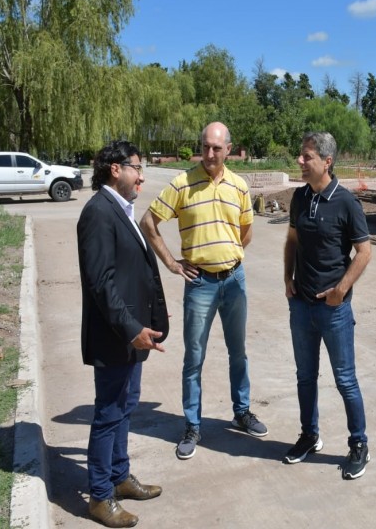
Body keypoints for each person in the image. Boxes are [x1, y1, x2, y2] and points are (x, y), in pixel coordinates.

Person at [139, 121, 267, 461]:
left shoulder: (239, 187)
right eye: (205, 147)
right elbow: (148, 223)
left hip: (234, 281)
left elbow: (246, 232)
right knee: (194, 358)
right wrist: (171, 262)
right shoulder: (182, 184)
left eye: (216, 148)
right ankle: (193, 425)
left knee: (238, 351)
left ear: (228, 149)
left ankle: (242, 413)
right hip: (199, 285)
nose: (210, 154)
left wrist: (228, 255)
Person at [78, 140, 169, 528]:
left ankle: (119, 477)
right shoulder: (98, 212)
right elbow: (100, 283)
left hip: (132, 336)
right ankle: (99, 497)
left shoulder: (120, 208)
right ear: (116, 169)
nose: (142, 176)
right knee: (109, 413)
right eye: (137, 168)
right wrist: (132, 330)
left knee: (125, 407)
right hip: (117, 336)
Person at [282, 131, 373, 480]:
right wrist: (287, 278)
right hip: (301, 308)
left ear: (326, 161)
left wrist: (341, 289)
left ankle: (359, 444)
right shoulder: (299, 198)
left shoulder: (346, 202)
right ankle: (309, 435)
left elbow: (364, 251)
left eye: (307, 157)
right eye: (301, 156)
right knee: (305, 377)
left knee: (345, 380)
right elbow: (291, 240)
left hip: (334, 311)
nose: (300, 162)